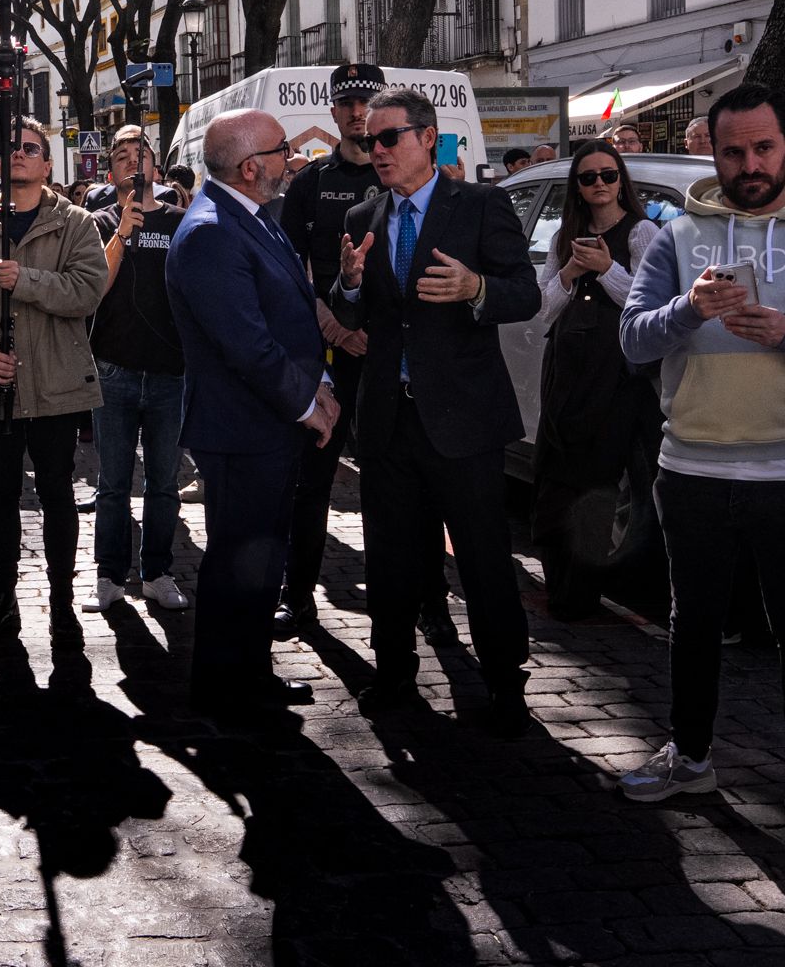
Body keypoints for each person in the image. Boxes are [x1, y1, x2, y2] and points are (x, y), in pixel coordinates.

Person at [331, 85, 541, 737]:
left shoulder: (479, 205)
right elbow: (350, 314)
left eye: (388, 137)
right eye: (369, 140)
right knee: (390, 558)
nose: (377, 150)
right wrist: (350, 284)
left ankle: (505, 683)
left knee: (482, 559)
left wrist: (477, 288)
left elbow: (525, 293)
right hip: (389, 419)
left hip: (464, 420)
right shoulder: (365, 218)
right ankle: (393, 671)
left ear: (428, 137)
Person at [616, 83, 785, 802]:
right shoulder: (679, 237)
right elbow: (630, 340)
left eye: (764, 147)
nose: (749, 163)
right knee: (693, 627)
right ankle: (689, 757)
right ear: (711, 154)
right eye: (733, 150)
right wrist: (686, 310)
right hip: (691, 469)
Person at [275, 63, 455, 645]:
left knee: (420, 481)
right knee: (314, 480)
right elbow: (293, 274)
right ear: (331, 113)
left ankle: (432, 601)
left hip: (397, 359)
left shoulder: (413, 177)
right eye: (347, 104)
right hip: (332, 348)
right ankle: (296, 596)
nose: (357, 115)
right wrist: (333, 328)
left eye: (367, 105)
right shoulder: (308, 185)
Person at [166, 108, 331, 713]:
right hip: (242, 430)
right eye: (284, 149)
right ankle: (226, 690)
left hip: (263, 426)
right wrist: (306, 404)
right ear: (252, 166)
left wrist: (318, 384)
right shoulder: (212, 230)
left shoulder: (251, 215)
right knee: (241, 563)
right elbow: (247, 343)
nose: (294, 158)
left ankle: (246, 678)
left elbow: (289, 312)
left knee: (259, 561)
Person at [0, 115, 106, 627]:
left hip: (58, 385)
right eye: (12, 147)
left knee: (58, 492)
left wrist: (26, 280)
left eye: (32, 147)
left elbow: (88, 290)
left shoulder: (75, 223)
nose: (20, 154)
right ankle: (4, 600)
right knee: (1, 496)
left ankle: (61, 602)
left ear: (49, 162)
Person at [531, 141, 661, 622]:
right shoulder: (566, 234)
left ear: (620, 179)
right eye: (589, 178)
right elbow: (543, 306)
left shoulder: (642, 231)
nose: (600, 184)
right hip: (566, 369)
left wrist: (607, 270)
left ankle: (582, 594)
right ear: (578, 188)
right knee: (553, 478)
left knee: (598, 483)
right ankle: (559, 583)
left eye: (608, 175)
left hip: (615, 373)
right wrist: (569, 271)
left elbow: (650, 305)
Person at [82, 126, 189, 613]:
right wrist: (124, 231)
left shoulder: (183, 221)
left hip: (169, 374)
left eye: (139, 153)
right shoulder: (97, 221)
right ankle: (108, 574)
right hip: (114, 371)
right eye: (121, 156)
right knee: (113, 483)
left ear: (155, 167)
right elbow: (93, 290)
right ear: (110, 172)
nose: (131, 162)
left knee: (165, 482)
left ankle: (158, 572)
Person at [83, 129, 178, 211]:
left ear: (155, 172)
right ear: (110, 177)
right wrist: (121, 231)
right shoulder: (96, 221)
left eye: (141, 155)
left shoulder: (179, 220)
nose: (133, 160)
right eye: (122, 157)